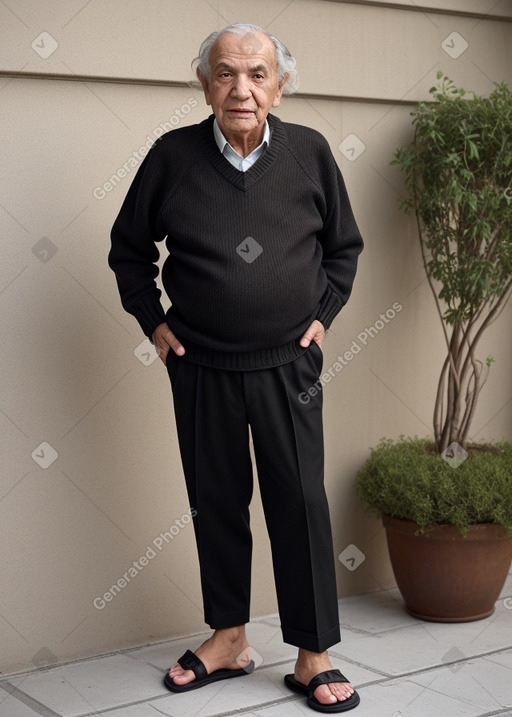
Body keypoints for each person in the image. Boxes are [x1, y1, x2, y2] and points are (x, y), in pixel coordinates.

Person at [108, 23, 363, 713]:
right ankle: (229, 637)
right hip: (201, 366)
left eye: (257, 73)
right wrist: (153, 324)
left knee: (300, 503)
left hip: (289, 363)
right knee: (216, 499)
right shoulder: (172, 156)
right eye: (226, 73)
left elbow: (344, 248)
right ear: (204, 84)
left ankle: (314, 653)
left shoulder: (309, 153)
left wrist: (324, 314)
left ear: (279, 85)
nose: (241, 88)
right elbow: (128, 251)